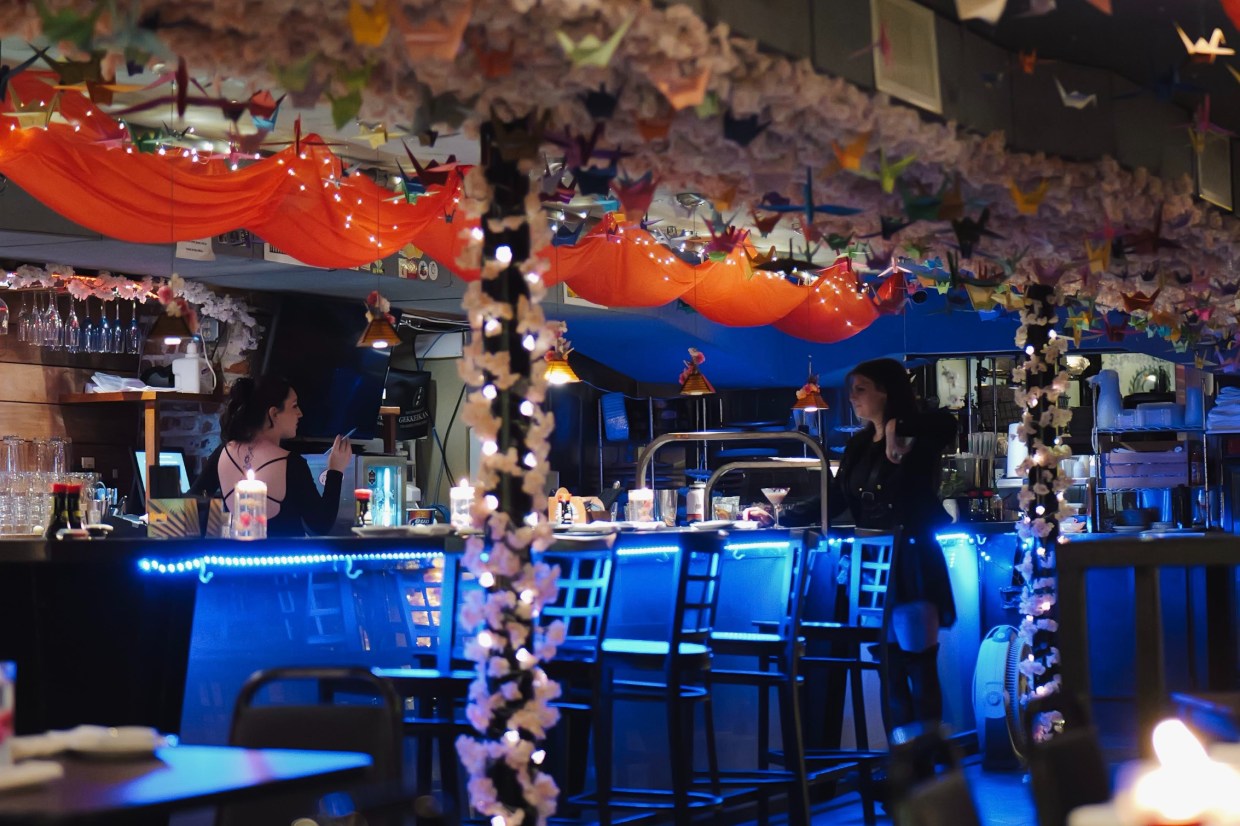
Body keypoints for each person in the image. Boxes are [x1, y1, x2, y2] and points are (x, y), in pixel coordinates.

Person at [755, 358, 957, 732]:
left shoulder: (916, 436)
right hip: (875, 562)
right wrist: (781, 515)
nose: (852, 398)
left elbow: (948, 423)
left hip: (911, 557)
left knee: (919, 665)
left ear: (887, 392)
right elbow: (836, 498)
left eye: (860, 389)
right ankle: (905, 764)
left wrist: (899, 424)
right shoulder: (860, 444)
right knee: (891, 669)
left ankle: (928, 771)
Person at [191, 376, 351, 537]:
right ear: (273, 413)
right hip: (285, 560)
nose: (300, 413)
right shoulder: (291, 463)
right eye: (294, 406)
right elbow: (320, 525)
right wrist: (335, 470)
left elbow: (191, 506)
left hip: (237, 558)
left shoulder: (222, 453)